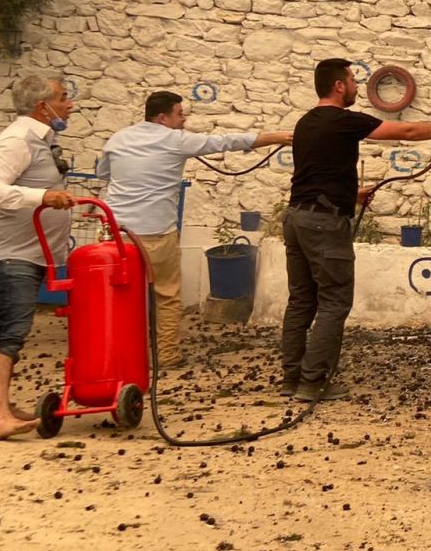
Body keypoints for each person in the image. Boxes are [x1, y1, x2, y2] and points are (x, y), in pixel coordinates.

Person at [281, 59, 431, 401]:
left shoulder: (304, 123)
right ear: (339, 86)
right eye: (353, 80)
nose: (357, 86)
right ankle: (312, 383)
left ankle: (291, 377)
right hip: (323, 224)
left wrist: (350, 194)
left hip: (297, 217)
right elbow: (407, 132)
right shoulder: (344, 121)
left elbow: (316, 173)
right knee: (333, 301)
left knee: (301, 300)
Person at [97, 91, 292, 368]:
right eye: (180, 114)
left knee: (118, 297)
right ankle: (166, 357)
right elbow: (225, 142)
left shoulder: (118, 138)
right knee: (166, 296)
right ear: (163, 118)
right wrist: (274, 137)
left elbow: (104, 175)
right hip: (156, 232)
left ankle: (116, 356)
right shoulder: (175, 140)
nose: (184, 119)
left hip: (114, 233)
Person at [0, 75, 79, 440]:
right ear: (42, 106)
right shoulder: (18, 139)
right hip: (11, 255)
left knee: (10, 331)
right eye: (64, 98)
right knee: (9, 334)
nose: (70, 105)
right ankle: (1, 418)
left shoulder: (40, 140)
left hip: (30, 255)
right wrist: (42, 197)